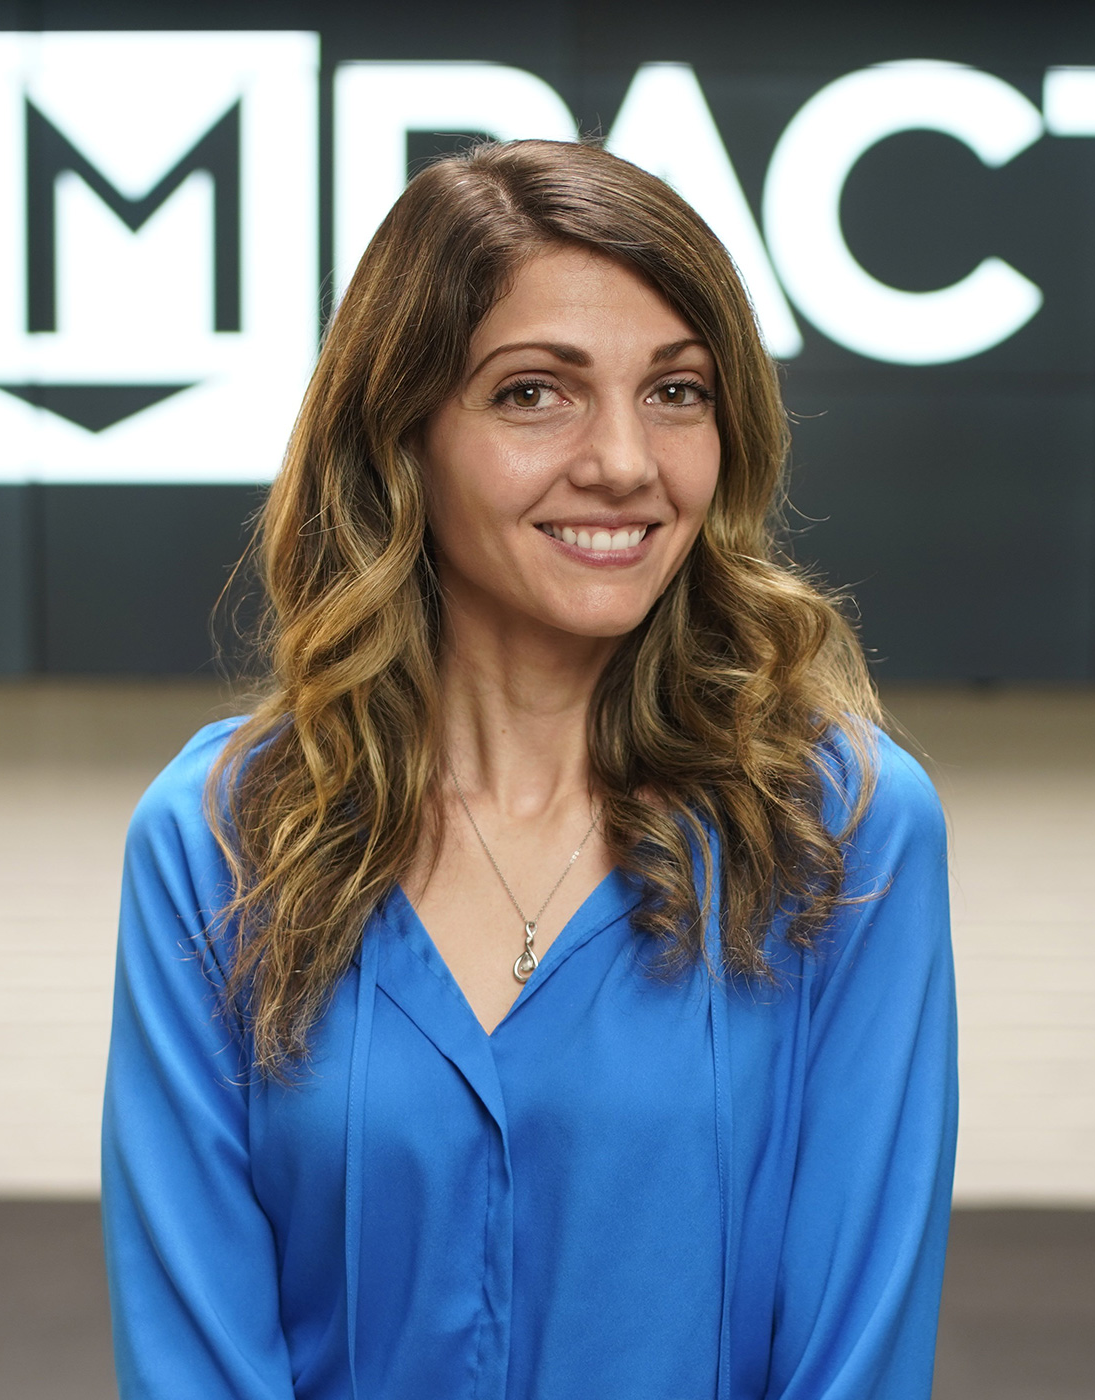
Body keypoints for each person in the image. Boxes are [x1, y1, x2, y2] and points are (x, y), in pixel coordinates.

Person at [101, 139, 957, 1400]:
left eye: (677, 391)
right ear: (401, 435)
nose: (624, 460)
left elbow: (857, 1355)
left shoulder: (844, 828)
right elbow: (195, 1361)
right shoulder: (221, 839)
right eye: (534, 393)